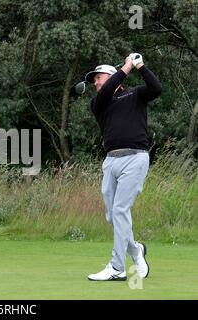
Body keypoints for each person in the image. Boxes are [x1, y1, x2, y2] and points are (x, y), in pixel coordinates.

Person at [86, 53, 162, 281]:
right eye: (95, 80)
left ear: (113, 77)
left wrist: (139, 64)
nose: (96, 83)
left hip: (135, 158)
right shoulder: (98, 102)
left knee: (120, 210)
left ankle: (117, 266)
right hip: (111, 161)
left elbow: (156, 88)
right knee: (113, 215)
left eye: (99, 78)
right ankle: (136, 249)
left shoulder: (135, 94)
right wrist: (127, 67)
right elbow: (107, 90)